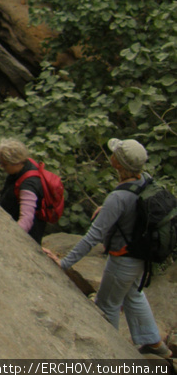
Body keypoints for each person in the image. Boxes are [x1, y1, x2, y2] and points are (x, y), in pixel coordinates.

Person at [49, 139, 171, 358]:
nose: (110, 155)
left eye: (114, 154)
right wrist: (108, 210)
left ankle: (111, 358)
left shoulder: (118, 197)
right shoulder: (146, 181)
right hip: (141, 258)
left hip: (122, 260)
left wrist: (64, 264)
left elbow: (93, 236)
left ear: (118, 164)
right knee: (133, 294)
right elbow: (136, 209)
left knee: (107, 305)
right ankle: (154, 344)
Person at [0, 138, 46, 244]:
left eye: (4, 164)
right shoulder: (23, 167)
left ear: (16, 163)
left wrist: (12, 240)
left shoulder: (29, 185)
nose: (2, 167)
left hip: (26, 238)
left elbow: (26, 219)